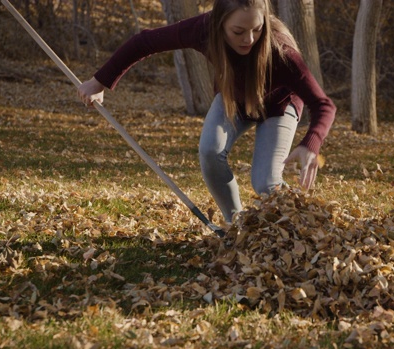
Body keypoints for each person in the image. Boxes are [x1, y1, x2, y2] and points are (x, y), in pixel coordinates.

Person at [77, 0, 336, 224]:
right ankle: (236, 225)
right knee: (210, 151)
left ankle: (300, 226)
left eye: (257, 30)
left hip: (279, 107)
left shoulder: (282, 53)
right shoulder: (203, 30)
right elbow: (144, 42)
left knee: (266, 184)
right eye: (238, 31)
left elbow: (323, 105)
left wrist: (310, 143)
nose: (249, 39)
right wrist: (99, 81)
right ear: (220, 24)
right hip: (234, 100)